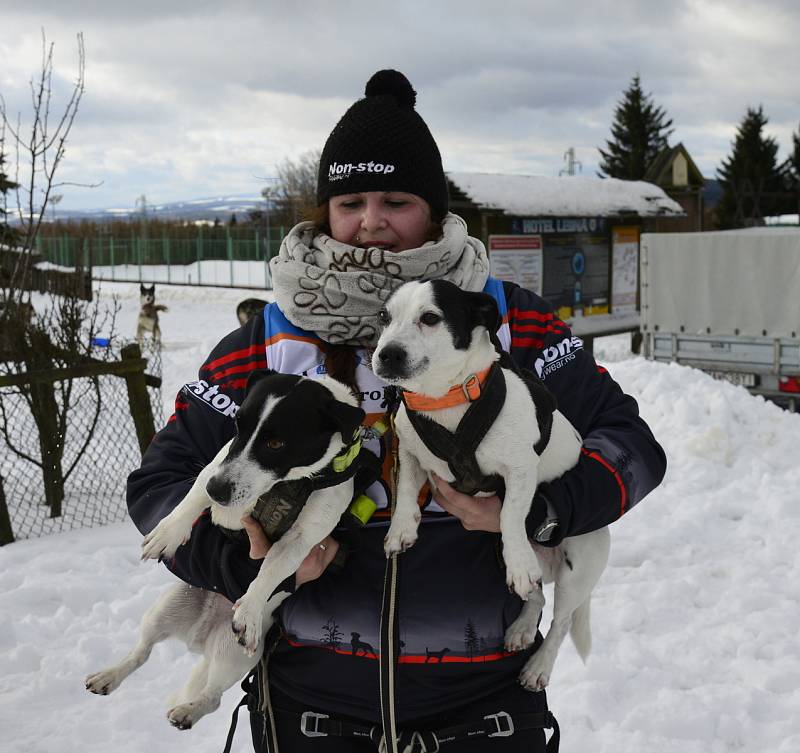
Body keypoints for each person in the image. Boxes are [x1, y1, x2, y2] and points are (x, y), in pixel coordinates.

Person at [128, 70, 666, 752]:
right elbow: (157, 485)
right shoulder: (267, 339)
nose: (371, 221)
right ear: (325, 211)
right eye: (349, 200)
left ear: (434, 212)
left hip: (485, 718)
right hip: (306, 717)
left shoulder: (506, 323)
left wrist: (538, 513)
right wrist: (239, 562)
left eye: (396, 200)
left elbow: (634, 449)